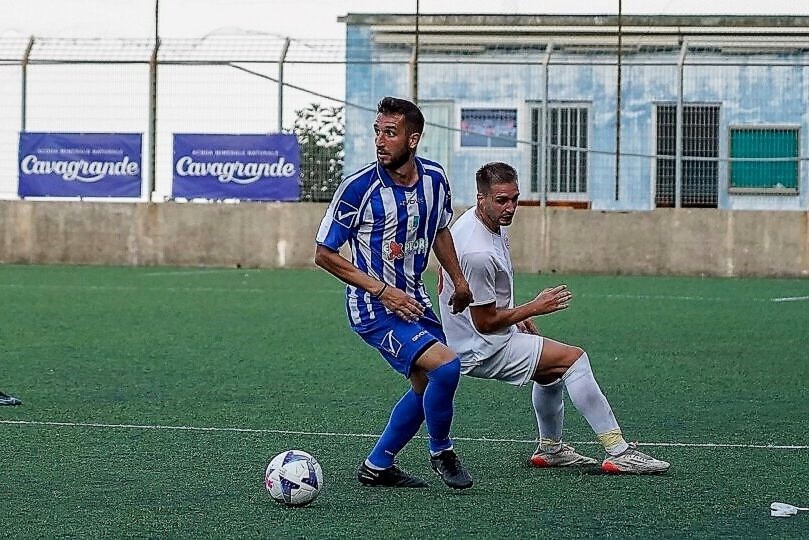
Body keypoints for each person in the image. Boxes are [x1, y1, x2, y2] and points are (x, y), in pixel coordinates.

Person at [437, 161, 670, 474]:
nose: (510, 208)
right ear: (482, 199)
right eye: (501, 200)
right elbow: (486, 322)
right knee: (574, 360)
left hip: (475, 336)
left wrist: (515, 315)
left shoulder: (479, 223)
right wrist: (534, 306)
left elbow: (487, 301)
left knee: (548, 373)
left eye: (514, 198)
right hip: (480, 346)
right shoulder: (477, 251)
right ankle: (619, 451)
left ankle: (551, 449)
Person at [315, 96, 475, 489]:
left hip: (413, 303)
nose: (381, 141)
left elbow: (439, 230)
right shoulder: (359, 188)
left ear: (413, 139)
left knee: (427, 386)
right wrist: (383, 291)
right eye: (377, 132)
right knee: (447, 367)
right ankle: (442, 451)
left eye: (390, 133)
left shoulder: (436, 180)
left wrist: (459, 279)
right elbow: (324, 254)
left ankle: (378, 465)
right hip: (373, 307)